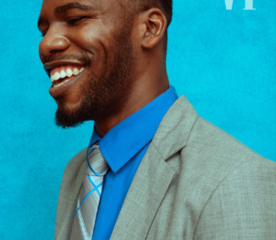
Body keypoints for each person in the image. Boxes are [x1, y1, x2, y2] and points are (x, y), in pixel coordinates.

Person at [37, 0, 276, 239]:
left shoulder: (236, 179)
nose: (46, 43)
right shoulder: (76, 172)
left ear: (150, 28)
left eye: (75, 19)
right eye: (44, 30)